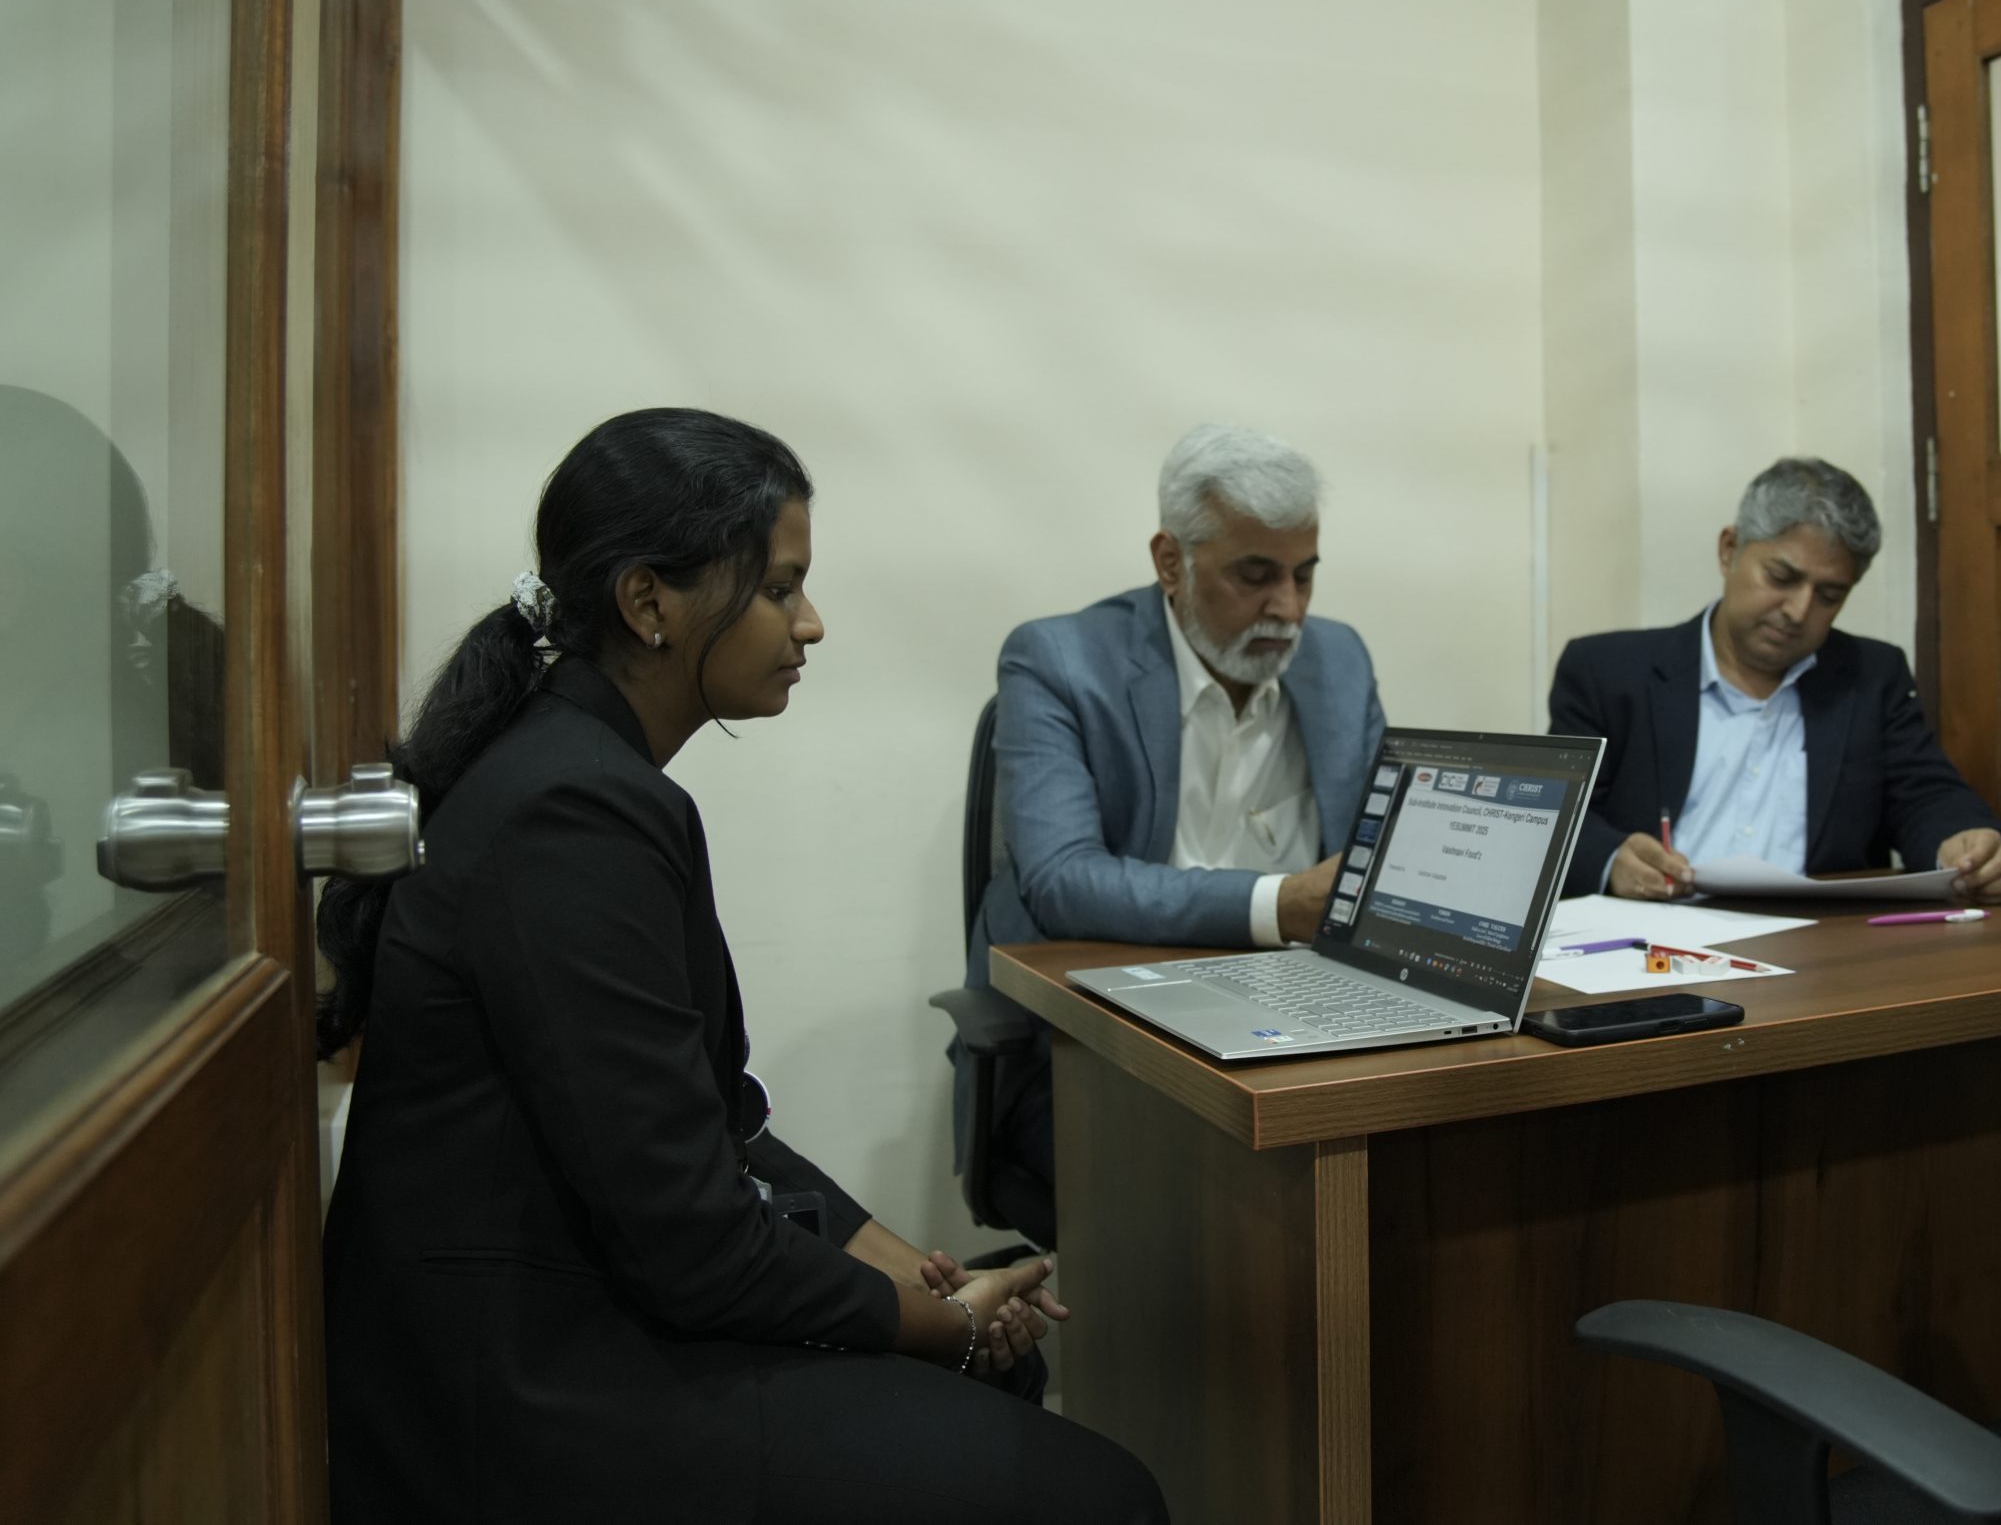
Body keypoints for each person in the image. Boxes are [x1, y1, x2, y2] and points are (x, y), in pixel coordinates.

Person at [318, 409, 1166, 1525]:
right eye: (778, 588)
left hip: (581, 1307)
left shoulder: (583, 773)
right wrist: (947, 1324)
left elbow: (720, 1125)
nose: (810, 622)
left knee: (1001, 1386)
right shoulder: (571, 811)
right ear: (648, 602)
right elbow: (694, 1244)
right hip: (522, 1388)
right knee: (1102, 1495)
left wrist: (917, 1272)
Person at [960, 425, 1387, 1238]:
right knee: (1239, 1213)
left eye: (1304, 574)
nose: (1289, 608)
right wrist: (1280, 904)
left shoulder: (1339, 661)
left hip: (1301, 1029)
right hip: (1099, 1045)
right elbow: (1062, 879)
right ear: (1171, 561)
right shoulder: (1059, 660)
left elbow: (1374, 856)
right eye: (1255, 575)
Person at [1548, 456, 2001, 902]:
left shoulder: (1871, 677)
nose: (1798, 611)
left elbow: (1926, 797)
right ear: (1729, 550)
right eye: (1781, 577)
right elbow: (1554, 817)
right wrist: (1611, 860)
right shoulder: (1606, 672)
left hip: (1815, 945)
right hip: (1650, 935)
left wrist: (1961, 845)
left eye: (1829, 595)